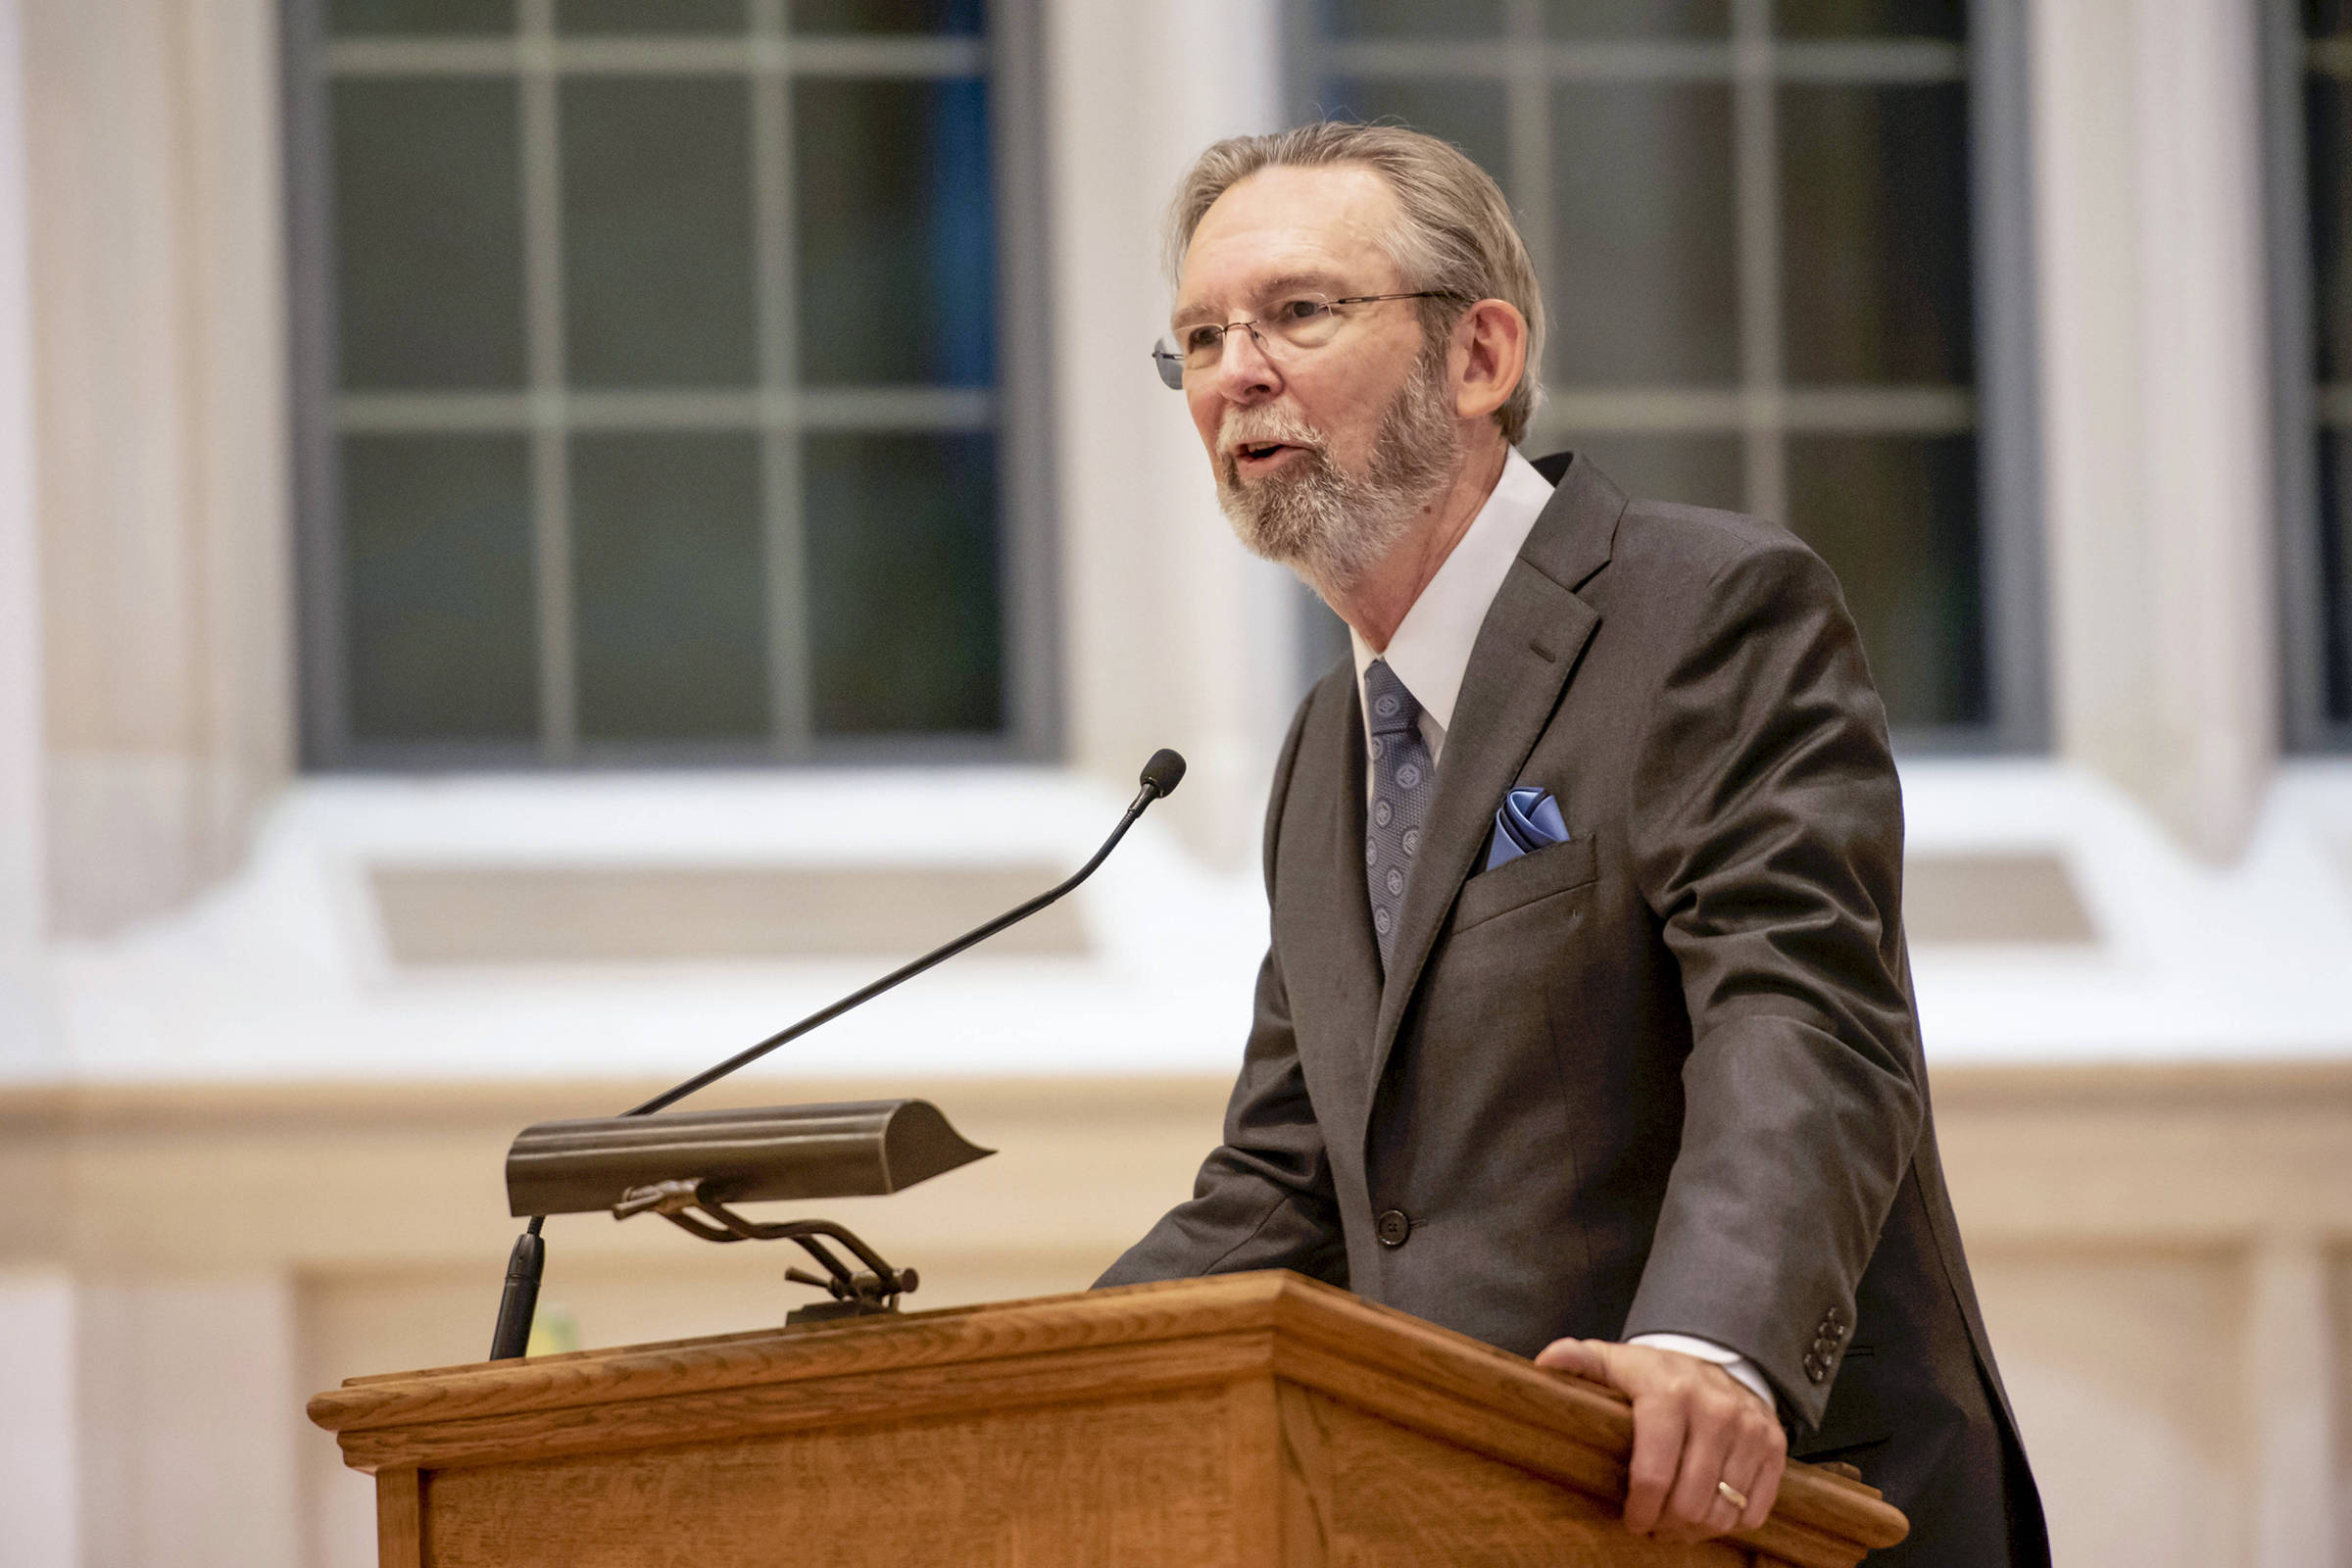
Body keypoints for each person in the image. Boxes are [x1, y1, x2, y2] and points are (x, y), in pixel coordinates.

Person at [1095, 122, 2049, 1565]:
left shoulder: (1705, 611)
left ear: (1479, 357)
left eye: (1297, 313)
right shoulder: (1328, 747)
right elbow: (1289, 1185)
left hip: (1765, 1509)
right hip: (1484, 1520)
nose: (1237, 373)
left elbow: (1799, 1012)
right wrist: (1030, 1377)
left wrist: (1711, 1348)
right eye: (1201, 338)